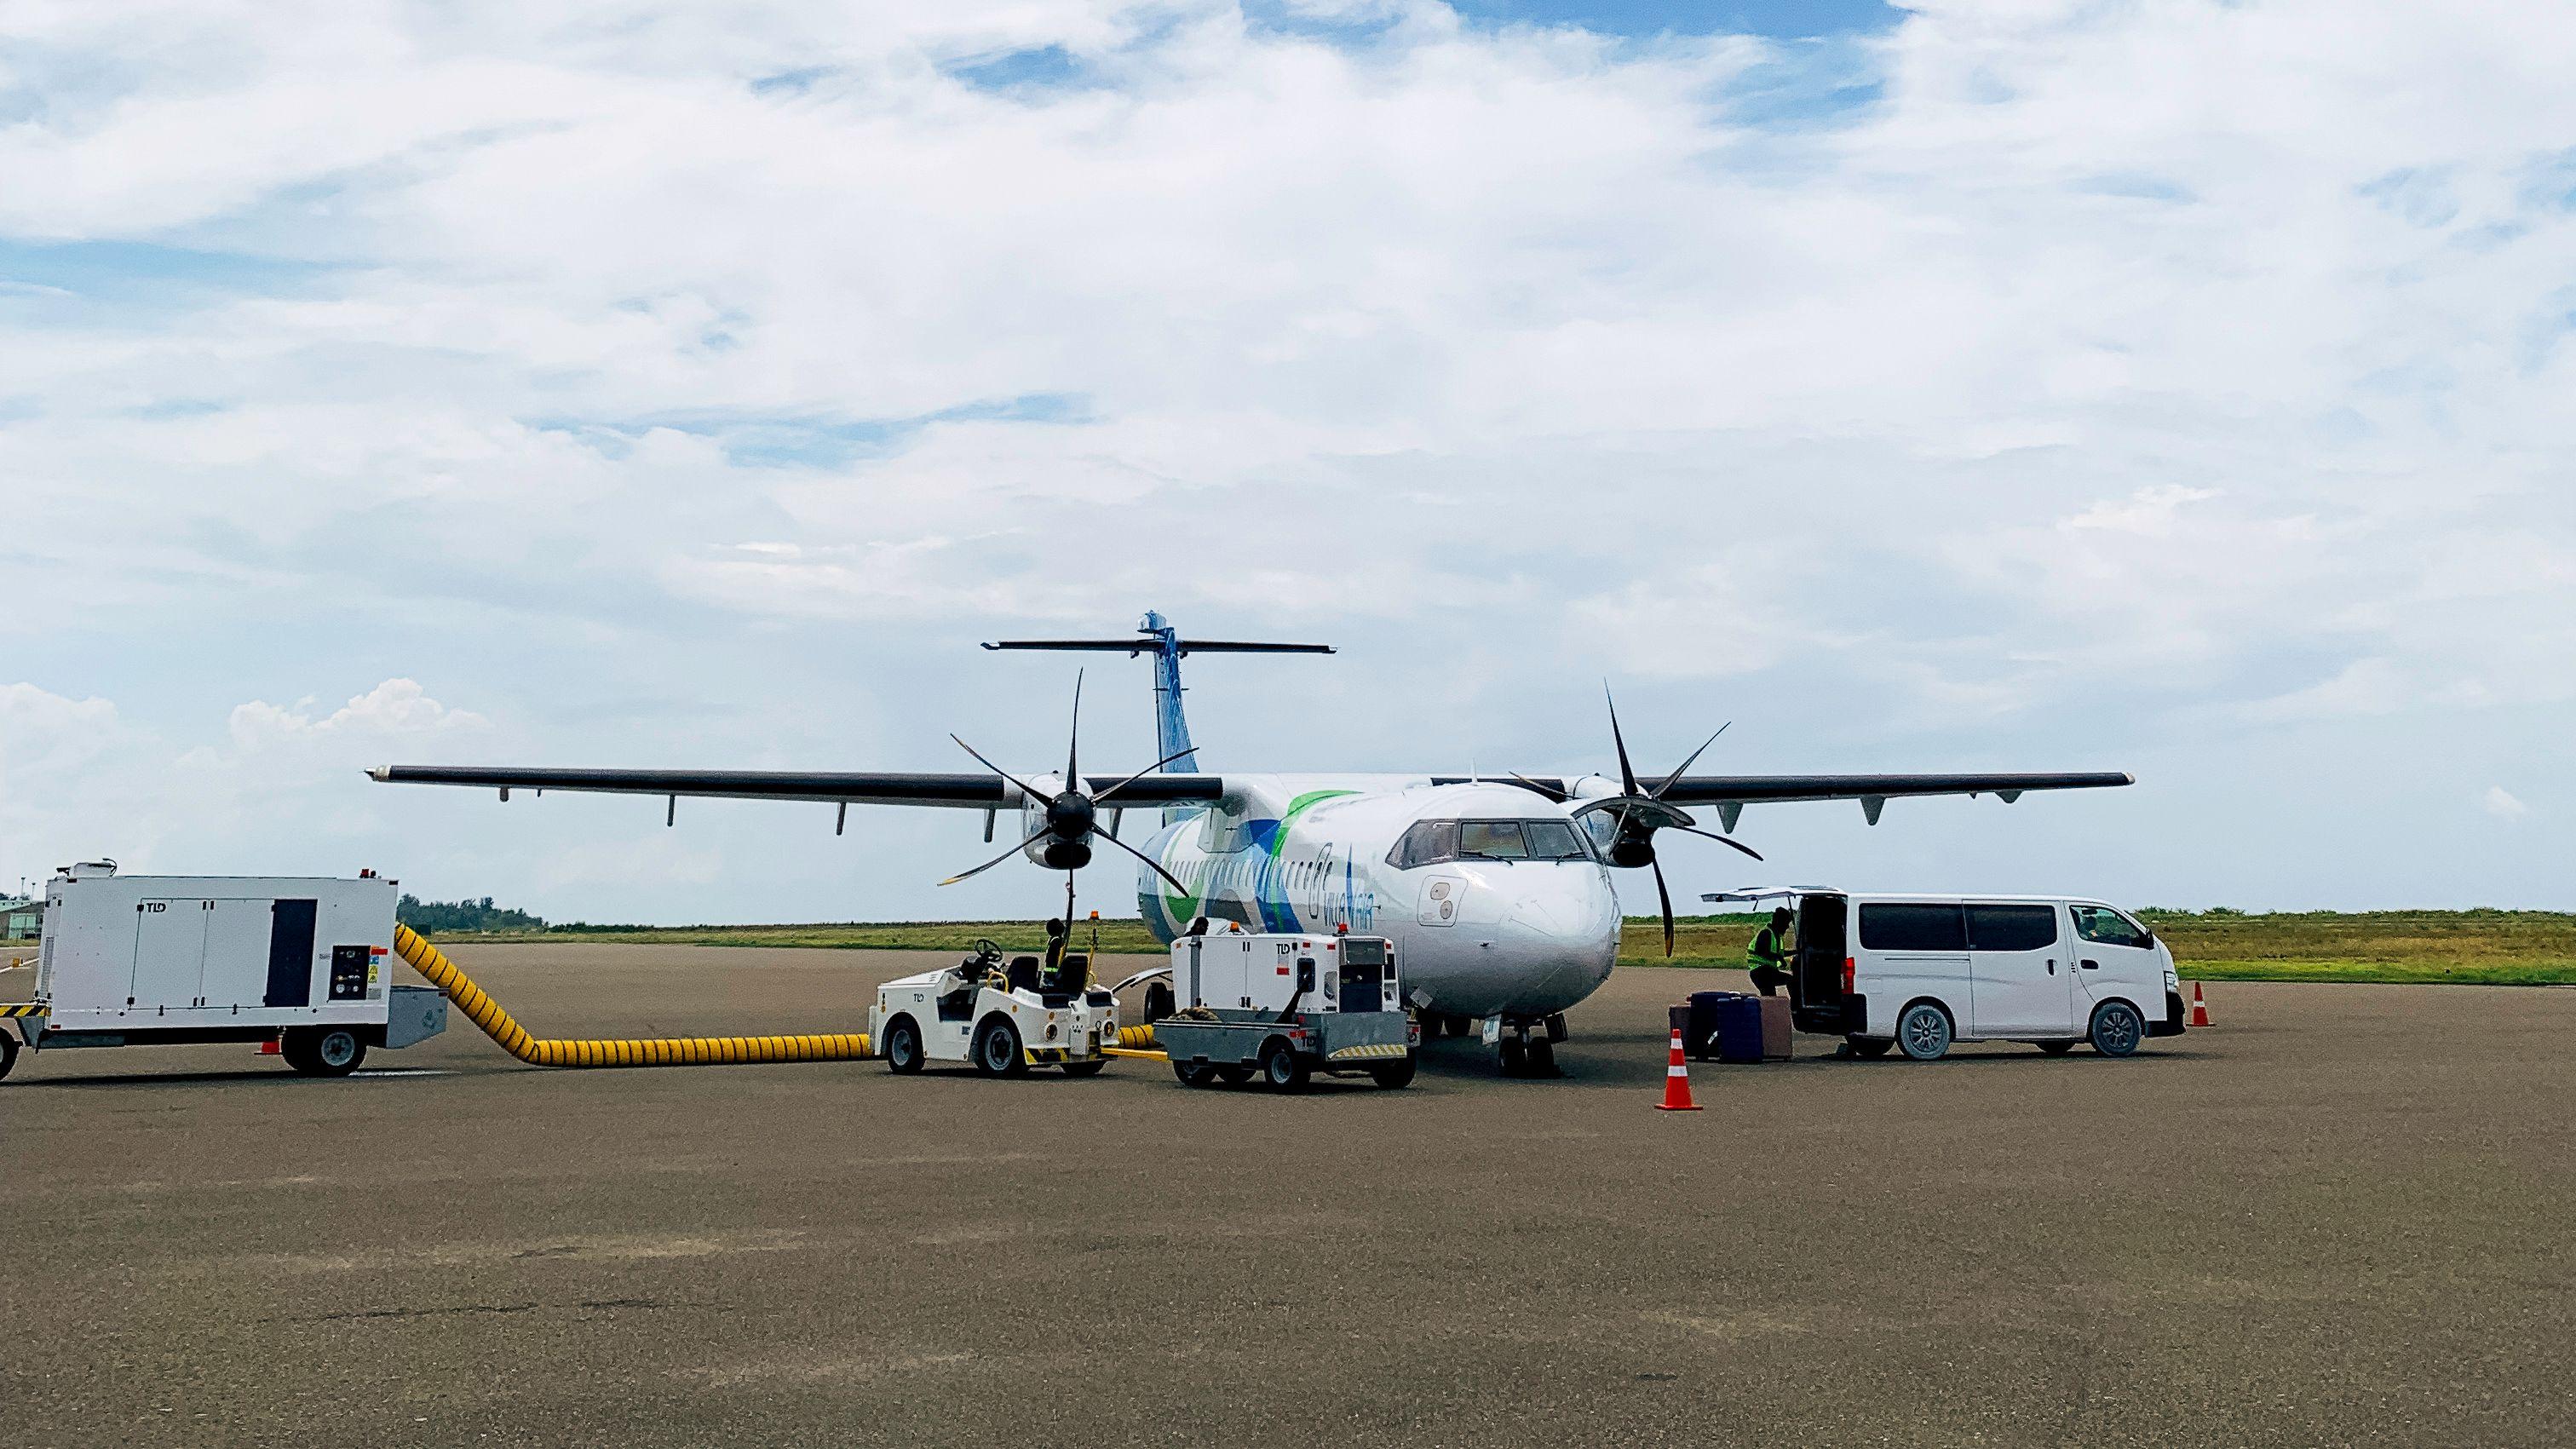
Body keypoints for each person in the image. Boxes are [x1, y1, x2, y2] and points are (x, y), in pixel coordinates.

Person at [1746, 906, 1796, 998]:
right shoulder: (1766, 933)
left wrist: (1796, 952)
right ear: (1779, 922)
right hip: (1760, 971)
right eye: (1786, 923)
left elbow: (1779, 953)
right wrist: (1779, 958)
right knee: (1771, 996)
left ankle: (1793, 1007)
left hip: (1767, 971)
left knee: (1771, 996)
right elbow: (1761, 951)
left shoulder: (1776, 935)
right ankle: (1794, 1008)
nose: (1788, 927)